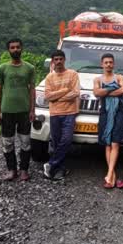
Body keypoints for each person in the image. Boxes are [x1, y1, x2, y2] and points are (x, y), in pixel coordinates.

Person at [0, 39, 36, 181]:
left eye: (18, 47)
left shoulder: (29, 68)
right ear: (9, 50)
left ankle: (24, 170)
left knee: (25, 142)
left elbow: (32, 90)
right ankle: (11, 170)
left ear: (22, 49)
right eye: (12, 47)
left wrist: (32, 110)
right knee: (7, 142)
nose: (15, 49)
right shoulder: (2, 68)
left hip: (24, 111)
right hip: (7, 111)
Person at [93, 53, 123, 188]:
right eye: (106, 62)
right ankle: (113, 176)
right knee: (107, 143)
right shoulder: (98, 79)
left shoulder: (119, 77)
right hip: (105, 113)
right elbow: (96, 93)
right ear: (102, 64)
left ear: (113, 64)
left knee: (115, 143)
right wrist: (113, 89)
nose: (108, 64)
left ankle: (109, 176)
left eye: (110, 62)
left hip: (119, 112)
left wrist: (105, 91)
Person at [43, 50, 80, 182]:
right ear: (53, 61)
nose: (58, 61)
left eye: (60, 59)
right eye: (56, 59)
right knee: (56, 141)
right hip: (54, 113)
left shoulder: (73, 74)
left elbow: (75, 93)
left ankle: (51, 164)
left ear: (64, 60)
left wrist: (56, 97)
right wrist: (65, 90)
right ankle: (59, 170)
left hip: (70, 112)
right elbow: (47, 96)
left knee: (67, 140)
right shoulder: (49, 77)